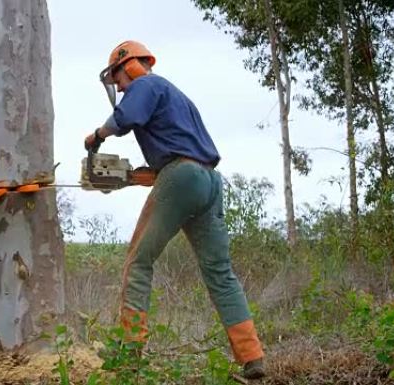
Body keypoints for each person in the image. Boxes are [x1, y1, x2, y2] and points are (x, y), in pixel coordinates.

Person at [84, 40, 265, 380]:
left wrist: (97, 135)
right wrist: (129, 176)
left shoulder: (147, 84)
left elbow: (126, 119)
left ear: (132, 65)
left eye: (118, 79)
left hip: (182, 178)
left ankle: (130, 352)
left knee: (138, 261)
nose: (120, 87)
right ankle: (252, 357)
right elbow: (179, 156)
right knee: (220, 272)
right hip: (208, 182)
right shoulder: (176, 97)